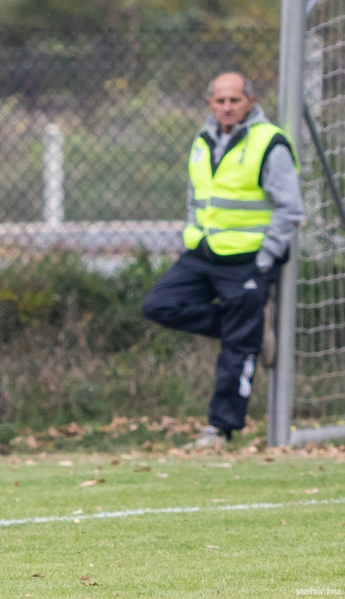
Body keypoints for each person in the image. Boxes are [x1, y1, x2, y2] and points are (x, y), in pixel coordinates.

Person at [142, 72, 304, 449]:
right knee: (158, 305)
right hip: (204, 253)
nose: (227, 107)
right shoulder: (202, 140)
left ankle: (220, 430)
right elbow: (196, 198)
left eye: (234, 100)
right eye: (220, 101)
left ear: (250, 101)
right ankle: (248, 328)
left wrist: (265, 261)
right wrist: (191, 234)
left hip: (249, 261)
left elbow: (290, 209)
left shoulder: (270, 142)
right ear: (209, 103)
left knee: (237, 350)